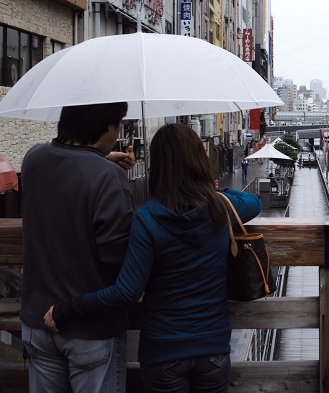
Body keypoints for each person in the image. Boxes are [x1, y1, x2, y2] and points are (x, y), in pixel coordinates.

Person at [45, 123, 262, 392]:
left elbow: (126, 292)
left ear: (159, 166)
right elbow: (254, 203)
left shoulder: (147, 219)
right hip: (213, 350)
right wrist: (213, 191)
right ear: (198, 160)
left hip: (164, 351)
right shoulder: (219, 209)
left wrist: (70, 307)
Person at [21, 102, 135, 392]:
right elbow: (115, 256)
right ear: (107, 126)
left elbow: (69, 167)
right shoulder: (109, 178)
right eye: (119, 123)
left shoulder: (33, 160)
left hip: (37, 322)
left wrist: (101, 158)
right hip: (90, 328)